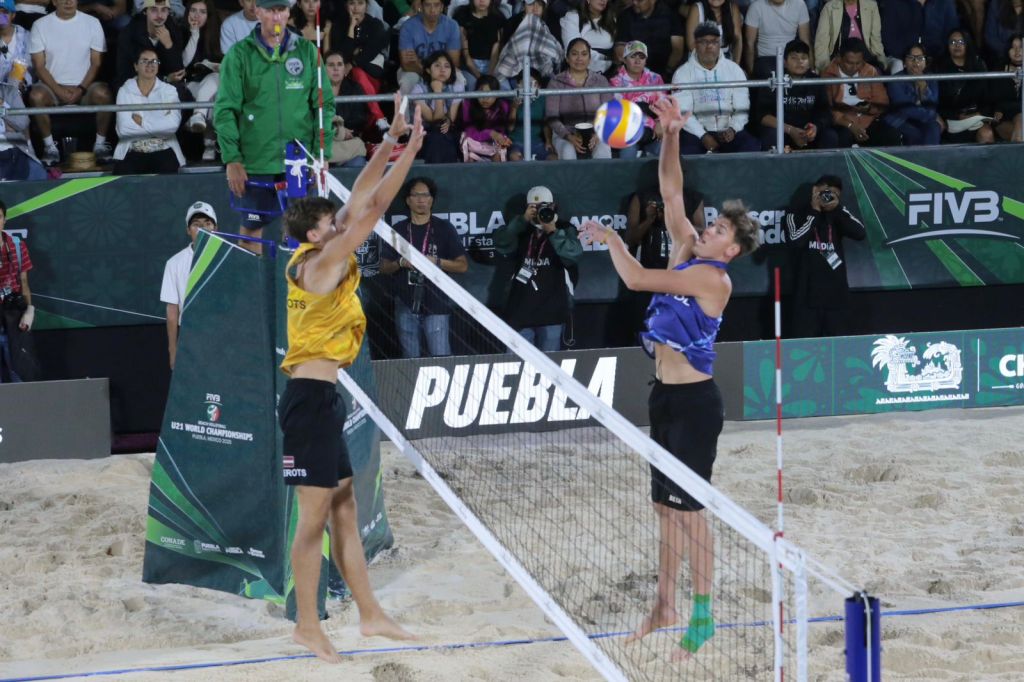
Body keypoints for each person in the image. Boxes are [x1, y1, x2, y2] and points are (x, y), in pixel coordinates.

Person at [578, 97, 759, 658]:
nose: (707, 228)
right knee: (665, 509)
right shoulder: (687, 249)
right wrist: (672, 134)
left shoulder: (714, 281)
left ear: (730, 249)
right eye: (712, 223)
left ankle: (702, 618)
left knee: (693, 515)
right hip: (664, 401)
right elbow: (672, 192)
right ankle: (663, 603)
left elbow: (634, 280)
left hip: (695, 407)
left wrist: (610, 239)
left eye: (718, 228)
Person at [278, 98, 422, 664]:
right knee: (312, 518)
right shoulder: (321, 262)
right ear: (316, 234)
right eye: (330, 221)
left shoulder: (321, 252)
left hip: (323, 397)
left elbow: (363, 196)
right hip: (308, 401)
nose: (339, 221)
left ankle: (370, 615)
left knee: (344, 510)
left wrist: (394, 143)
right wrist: (404, 151)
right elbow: (375, 206)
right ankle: (308, 625)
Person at [214, 0, 333, 253]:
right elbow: (225, 111)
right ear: (257, 12)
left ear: (289, 13)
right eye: (269, 10)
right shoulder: (239, 54)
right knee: (250, 236)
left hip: (299, 161)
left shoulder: (307, 52)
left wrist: (321, 154)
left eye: (281, 10)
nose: (276, 17)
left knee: (304, 236)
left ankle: (301, 291)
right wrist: (232, 159)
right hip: (255, 163)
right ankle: (252, 292)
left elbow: (324, 107)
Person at [379, 177, 469, 358]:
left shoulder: (444, 228)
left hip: (436, 305)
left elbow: (462, 266)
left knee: (441, 359)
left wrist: (436, 262)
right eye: (416, 195)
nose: (421, 200)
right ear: (407, 200)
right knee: (410, 362)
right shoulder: (398, 230)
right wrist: (400, 263)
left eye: (425, 195)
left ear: (432, 200)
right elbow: (382, 266)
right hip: (405, 303)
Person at [494, 185, 582, 351]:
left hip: (553, 310)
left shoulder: (564, 228)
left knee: (550, 367)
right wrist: (522, 220)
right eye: (534, 207)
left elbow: (573, 255)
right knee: (517, 365)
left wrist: (552, 230)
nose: (539, 211)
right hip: (520, 309)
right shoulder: (520, 228)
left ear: (553, 206)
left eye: (544, 206)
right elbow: (501, 243)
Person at [27, 0, 113, 166]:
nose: (68, 2)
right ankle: (49, 147)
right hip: (52, 88)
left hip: (84, 88)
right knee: (36, 95)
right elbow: (39, 66)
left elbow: (96, 62)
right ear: (54, 1)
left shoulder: (92, 23)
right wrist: (59, 90)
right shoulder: (40, 24)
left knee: (104, 93)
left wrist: (81, 89)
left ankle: (100, 145)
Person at [784, 175, 865, 337]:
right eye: (826, 192)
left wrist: (837, 208)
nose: (828, 197)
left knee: (840, 349)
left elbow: (860, 233)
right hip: (806, 297)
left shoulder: (838, 213)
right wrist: (814, 212)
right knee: (804, 348)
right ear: (815, 190)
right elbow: (795, 241)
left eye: (834, 195)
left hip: (836, 295)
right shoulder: (795, 213)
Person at [673, 22, 760, 155]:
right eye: (704, 42)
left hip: (729, 131)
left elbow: (743, 107)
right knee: (686, 153)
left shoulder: (734, 70)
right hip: (696, 133)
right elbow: (683, 113)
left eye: (714, 41)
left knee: (751, 147)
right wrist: (703, 135)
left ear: (720, 44)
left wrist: (733, 129)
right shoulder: (683, 73)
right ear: (695, 44)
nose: (709, 47)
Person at [160, 201, 217, 370]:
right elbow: (172, 310)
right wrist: (173, 350)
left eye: (207, 223)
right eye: (196, 225)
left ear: (216, 227)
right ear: (188, 230)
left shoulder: (228, 257)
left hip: (223, 334)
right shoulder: (174, 264)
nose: (202, 229)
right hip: (190, 337)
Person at [113, 48, 185, 174]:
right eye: (144, 61)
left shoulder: (169, 91)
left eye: (154, 61)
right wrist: (159, 126)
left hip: (164, 150)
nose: (150, 65)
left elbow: (172, 126)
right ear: (136, 66)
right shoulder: (124, 90)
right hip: (132, 151)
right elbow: (124, 129)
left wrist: (142, 122)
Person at [757, 38, 836, 150]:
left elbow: (825, 113)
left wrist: (815, 128)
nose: (800, 62)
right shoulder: (774, 81)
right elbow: (763, 116)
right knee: (771, 135)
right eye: (794, 58)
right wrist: (790, 130)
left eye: (804, 58)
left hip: (808, 132)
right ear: (784, 62)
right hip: (783, 130)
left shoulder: (816, 81)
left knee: (830, 136)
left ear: (809, 62)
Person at [822, 38, 902, 147]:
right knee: (841, 137)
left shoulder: (870, 71)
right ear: (839, 58)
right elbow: (828, 110)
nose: (854, 67)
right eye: (849, 63)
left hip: (867, 120)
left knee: (891, 135)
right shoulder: (828, 75)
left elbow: (882, 101)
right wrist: (850, 125)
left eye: (858, 63)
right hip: (843, 124)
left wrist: (869, 108)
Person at [545, 38, 613, 159]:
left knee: (603, 153)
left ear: (589, 58)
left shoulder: (601, 80)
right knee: (568, 153)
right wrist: (568, 136)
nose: (579, 58)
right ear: (567, 58)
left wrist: (598, 134)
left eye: (584, 54)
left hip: (596, 132)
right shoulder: (556, 82)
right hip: (565, 133)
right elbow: (552, 117)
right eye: (574, 54)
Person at [934, 29, 996, 144]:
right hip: (950, 119)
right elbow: (936, 101)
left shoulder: (978, 65)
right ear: (947, 45)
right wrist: (956, 115)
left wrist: (979, 113)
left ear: (967, 44)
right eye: (953, 42)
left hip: (975, 117)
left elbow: (987, 97)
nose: (957, 45)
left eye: (961, 42)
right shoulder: (939, 67)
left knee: (986, 134)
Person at [0, 200, 38, 383]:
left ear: (4, 219)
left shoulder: (16, 246)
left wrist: (29, 310)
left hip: (13, 316)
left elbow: (23, 281)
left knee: (18, 370)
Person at [182, 0, 223, 162]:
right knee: (211, 99)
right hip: (189, 83)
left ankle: (198, 116)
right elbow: (184, 62)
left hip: (212, 82)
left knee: (213, 80)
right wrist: (194, 33)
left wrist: (214, 66)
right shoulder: (180, 32)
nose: (197, 15)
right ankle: (209, 144)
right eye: (193, 10)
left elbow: (224, 62)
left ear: (209, 15)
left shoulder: (216, 33)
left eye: (202, 12)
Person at [609, 40, 665, 159]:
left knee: (666, 149)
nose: (637, 60)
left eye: (642, 57)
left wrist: (659, 122)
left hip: (654, 130)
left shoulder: (655, 78)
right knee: (628, 153)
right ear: (624, 59)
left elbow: (663, 106)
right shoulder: (615, 81)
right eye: (633, 56)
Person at [410, 50, 464, 163]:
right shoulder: (418, 90)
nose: (442, 70)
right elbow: (433, 119)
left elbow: (451, 117)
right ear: (428, 70)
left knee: (444, 131)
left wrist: (448, 120)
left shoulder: (457, 87)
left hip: (446, 131)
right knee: (436, 132)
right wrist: (438, 91)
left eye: (447, 66)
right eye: (437, 65)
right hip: (425, 133)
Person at [882, 43, 942, 146]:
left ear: (926, 61)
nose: (916, 62)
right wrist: (932, 116)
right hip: (901, 118)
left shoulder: (931, 78)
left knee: (934, 128)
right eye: (911, 58)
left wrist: (923, 88)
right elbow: (906, 108)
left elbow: (933, 104)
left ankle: (932, 161)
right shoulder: (896, 80)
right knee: (916, 135)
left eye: (920, 58)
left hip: (923, 118)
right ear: (904, 62)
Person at [116, 0, 185, 88]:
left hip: (165, 88)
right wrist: (165, 79)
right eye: (154, 10)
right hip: (135, 88)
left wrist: (169, 45)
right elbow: (125, 75)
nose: (159, 15)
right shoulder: (129, 33)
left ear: (168, 12)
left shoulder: (174, 31)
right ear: (145, 11)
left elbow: (178, 73)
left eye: (163, 10)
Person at [397, 0, 462, 93]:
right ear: (421, 6)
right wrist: (429, 72)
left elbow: (454, 62)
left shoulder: (452, 26)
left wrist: (429, 70)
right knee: (408, 81)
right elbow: (406, 65)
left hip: (441, 69)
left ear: (442, 7)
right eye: (428, 5)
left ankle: (451, 108)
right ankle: (408, 108)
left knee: (459, 80)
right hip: (415, 71)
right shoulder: (408, 27)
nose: (432, 10)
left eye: (436, 5)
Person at [880, 0, 957, 73]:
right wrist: (910, 58)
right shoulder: (894, 3)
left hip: (936, 57)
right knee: (897, 66)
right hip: (902, 57)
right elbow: (889, 38)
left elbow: (952, 34)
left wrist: (931, 58)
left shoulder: (945, 3)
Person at [615, 0, 685, 80]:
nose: (634, 2)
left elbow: (677, 49)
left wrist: (667, 71)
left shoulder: (670, 15)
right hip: (633, 73)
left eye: (639, 1)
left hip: (663, 72)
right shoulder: (625, 16)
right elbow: (620, 49)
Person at [459, 74, 520, 161]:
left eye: (490, 94)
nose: (485, 98)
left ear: (497, 94)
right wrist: (491, 133)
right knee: (470, 160)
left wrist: (514, 109)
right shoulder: (468, 105)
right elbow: (470, 131)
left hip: (493, 145)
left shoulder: (503, 106)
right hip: (474, 144)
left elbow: (507, 129)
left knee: (498, 158)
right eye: (481, 93)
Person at [743, 0, 811, 78]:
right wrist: (751, 72)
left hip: (791, 58)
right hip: (765, 58)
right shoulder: (756, 6)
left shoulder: (799, 4)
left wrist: (810, 68)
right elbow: (749, 43)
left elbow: (805, 41)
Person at [813, 0, 884, 73]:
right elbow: (821, 42)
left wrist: (883, 62)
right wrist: (823, 68)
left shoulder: (871, 6)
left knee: (876, 74)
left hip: (866, 59)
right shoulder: (829, 7)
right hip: (840, 59)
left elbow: (876, 40)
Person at [325, 50, 369, 167]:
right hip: (324, 144)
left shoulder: (355, 89)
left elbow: (360, 120)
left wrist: (343, 131)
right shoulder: (315, 91)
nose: (336, 69)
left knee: (358, 161)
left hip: (347, 142)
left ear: (344, 70)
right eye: (331, 65)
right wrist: (339, 131)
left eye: (339, 64)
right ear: (324, 70)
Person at [0, 81, 48, 181]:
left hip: (14, 151)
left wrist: (2, 106)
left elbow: (22, 123)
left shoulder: (8, 91)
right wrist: (9, 125)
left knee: (39, 174)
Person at [453, 0, 504, 90]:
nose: (482, 1)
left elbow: (496, 51)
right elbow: (466, 56)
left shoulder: (498, 17)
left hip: (492, 65)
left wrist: (490, 76)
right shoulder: (462, 15)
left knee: (504, 88)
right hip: (468, 66)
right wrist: (480, 77)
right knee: (474, 88)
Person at [559, 0, 615, 74]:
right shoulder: (573, 17)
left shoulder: (611, 20)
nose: (603, 0)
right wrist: (603, 58)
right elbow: (571, 46)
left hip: (607, 71)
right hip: (577, 68)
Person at [992, 34, 1023, 142]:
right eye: (1013, 47)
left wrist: (1004, 107)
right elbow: (992, 99)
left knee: (1020, 121)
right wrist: (1000, 109)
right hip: (1002, 119)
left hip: (1018, 117)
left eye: (1021, 47)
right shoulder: (999, 69)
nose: (1017, 51)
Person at [0, 0, 34, 88]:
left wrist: (23, 81)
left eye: (5, 12)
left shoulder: (26, 36)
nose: (1, 16)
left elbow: (30, 66)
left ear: (13, 15)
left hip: (18, 90)